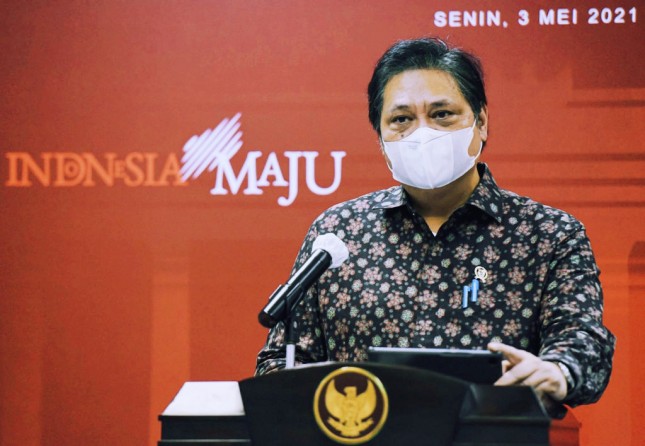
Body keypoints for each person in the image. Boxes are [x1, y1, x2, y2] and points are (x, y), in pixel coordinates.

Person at [255, 37, 615, 409]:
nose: (421, 133)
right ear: (380, 139)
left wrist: (557, 371)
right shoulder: (338, 232)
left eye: (442, 114)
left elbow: (582, 345)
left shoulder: (549, 234)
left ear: (482, 121)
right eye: (401, 119)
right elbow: (280, 362)